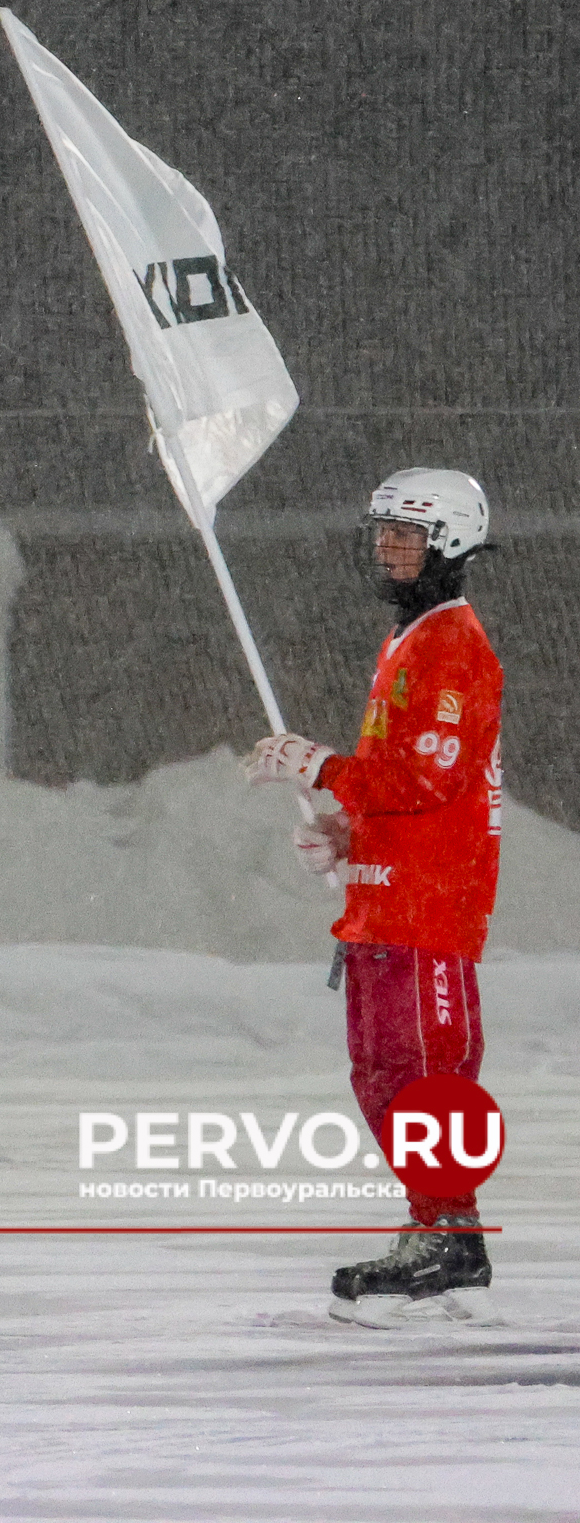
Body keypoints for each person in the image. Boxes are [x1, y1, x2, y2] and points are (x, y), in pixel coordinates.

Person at [246, 469, 503, 1323]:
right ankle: (433, 1224)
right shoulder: (408, 639)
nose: (389, 548)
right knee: (382, 1077)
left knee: (429, 1075)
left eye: (408, 534)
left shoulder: (453, 644)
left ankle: (451, 1234)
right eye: (383, 532)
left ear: (452, 543)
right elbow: (403, 795)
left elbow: (426, 775)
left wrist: (317, 765)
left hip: (430, 906)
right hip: (385, 900)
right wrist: (351, 841)